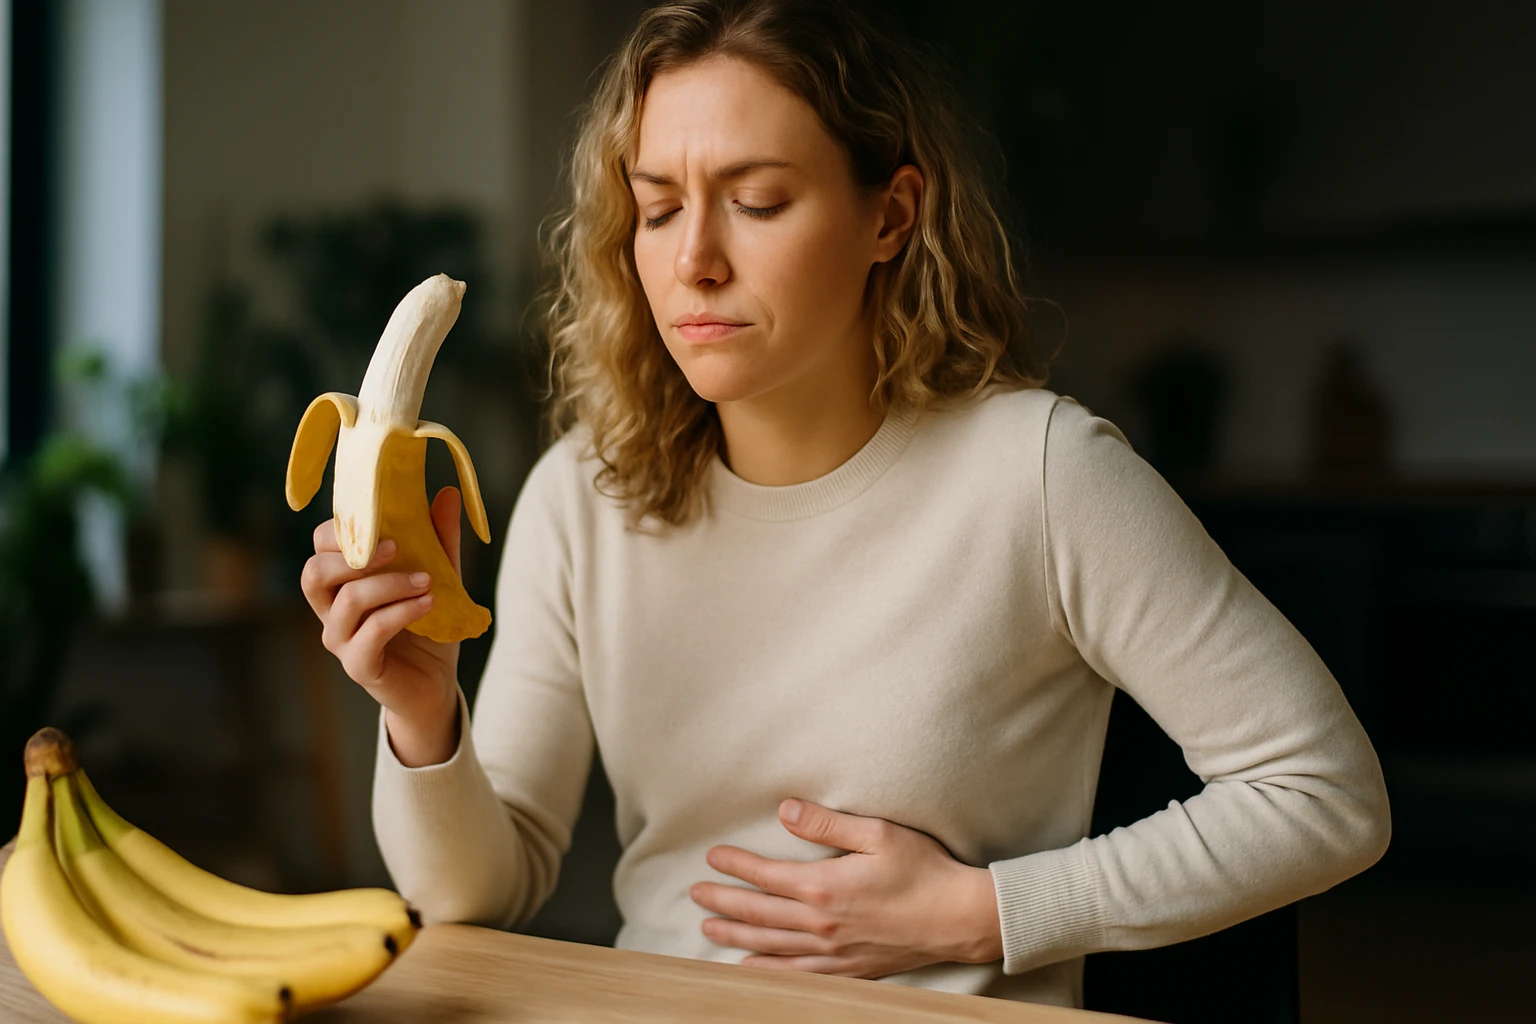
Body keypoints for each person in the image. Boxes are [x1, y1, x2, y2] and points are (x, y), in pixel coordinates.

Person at [299, 0, 1390, 1008]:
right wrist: (423, 714)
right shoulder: (582, 496)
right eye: (658, 208)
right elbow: (474, 900)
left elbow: (1326, 793)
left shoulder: (1043, 474)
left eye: (758, 201)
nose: (695, 262)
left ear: (891, 215)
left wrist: (987, 910)